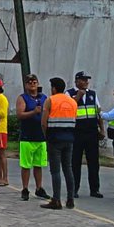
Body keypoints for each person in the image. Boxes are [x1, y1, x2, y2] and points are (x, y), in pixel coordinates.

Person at [40, 77, 77, 210]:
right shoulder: (73, 102)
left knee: (55, 171)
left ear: (54, 88)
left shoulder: (50, 100)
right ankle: (70, 199)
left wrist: (46, 136)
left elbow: (44, 122)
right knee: (68, 168)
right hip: (69, 138)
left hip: (54, 139)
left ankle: (56, 200)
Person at [69, 72, 105, 199]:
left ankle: (95, 189)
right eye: (83, 80)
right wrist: (77, 97)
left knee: (94, 162)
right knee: (75, 162)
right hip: (77, 132)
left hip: (91, 132)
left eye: (87, 80)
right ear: (77, 81)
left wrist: (102, 129)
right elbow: (68, 109)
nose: (86, 82)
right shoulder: (69, 93)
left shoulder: (92, 94)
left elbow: (98, 112)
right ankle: (73, 189)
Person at [15, 75, 49, 201]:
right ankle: (25, 188)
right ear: (26, 85)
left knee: (38, 164)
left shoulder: (44, 97)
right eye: (30, 83)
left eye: (34, 82)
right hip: (27, 137)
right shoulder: (23, 98)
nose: (32, 84)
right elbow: (19, 114)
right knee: (26, 165)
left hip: (41, 137)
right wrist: (33, 112)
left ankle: (39, 188)